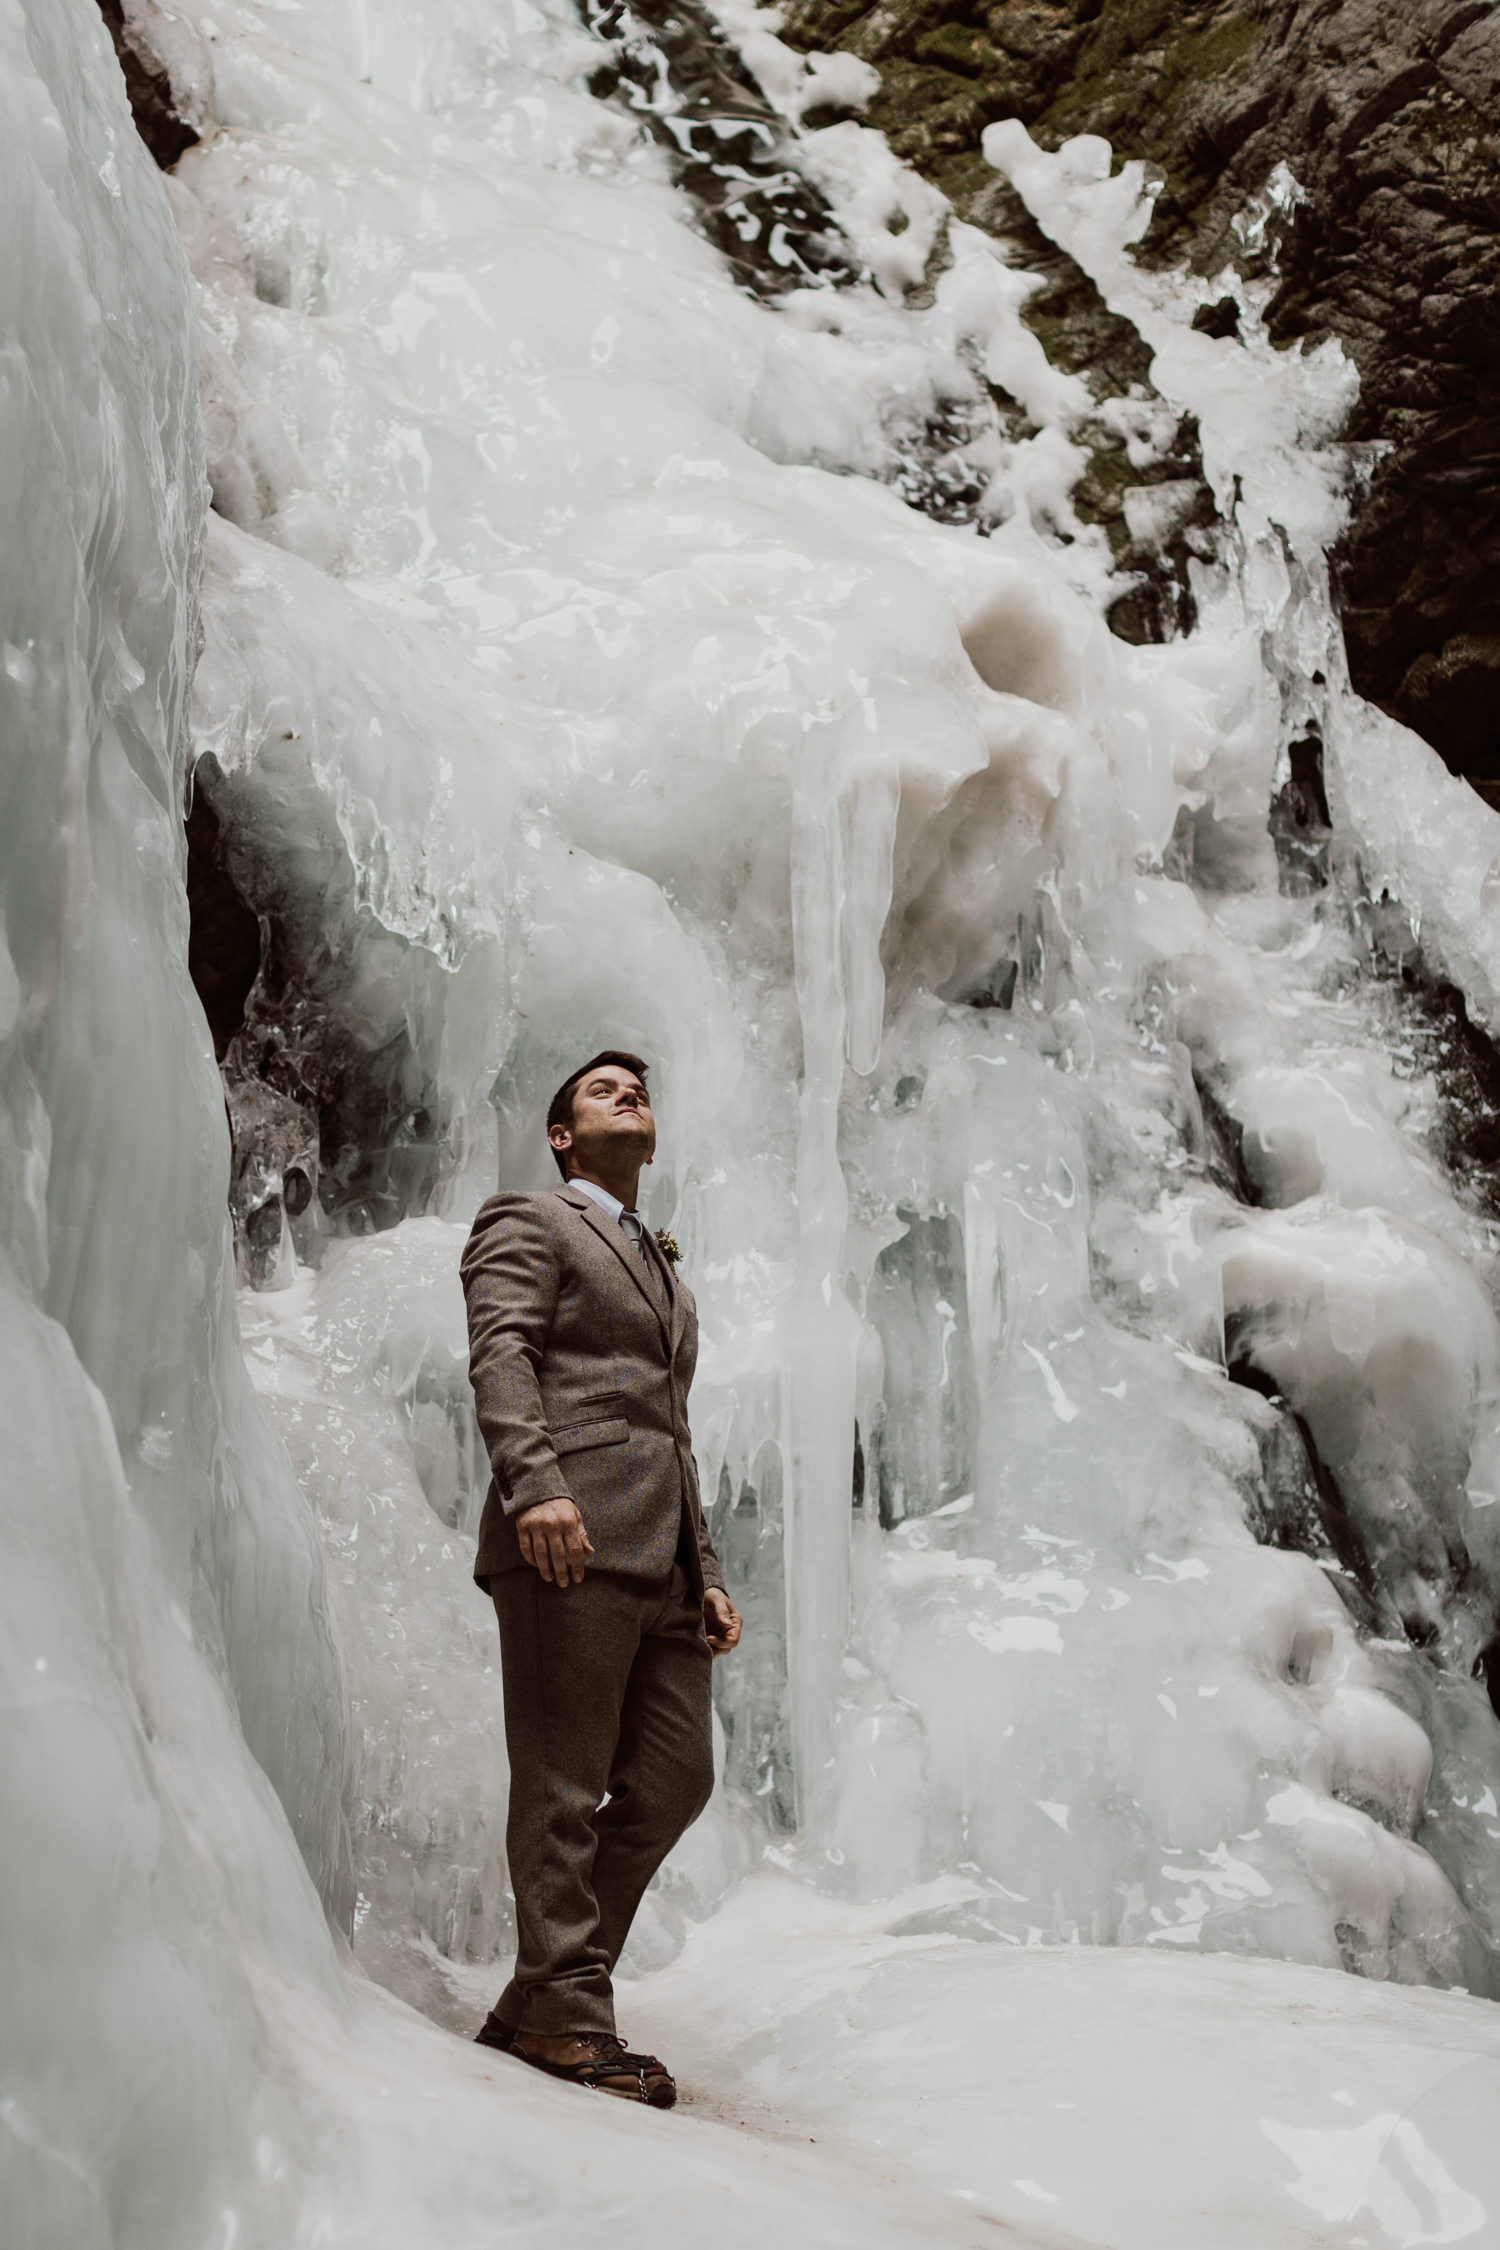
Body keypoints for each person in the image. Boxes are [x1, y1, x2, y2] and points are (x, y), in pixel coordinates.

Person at [460, 1049, 742, 2106]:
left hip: (661, 1557)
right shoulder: (526, 1220)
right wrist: (535, 1486)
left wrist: (704, 1570)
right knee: (564, 1784)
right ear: (562, 1137)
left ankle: (536, 2002)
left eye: (640, 1086)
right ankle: (569, 2020)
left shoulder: (664, 1269)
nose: (629, 1091)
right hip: (564, 1533)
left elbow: (674, 1432)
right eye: (600, 1088)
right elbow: (502, 1353)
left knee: (676, 1780)